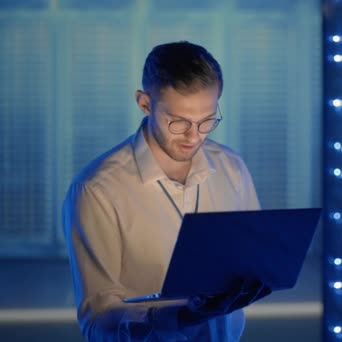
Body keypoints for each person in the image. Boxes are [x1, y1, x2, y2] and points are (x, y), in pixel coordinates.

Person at [62, 41, 270, 341]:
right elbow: (97, 320)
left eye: (207, 121)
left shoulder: (231, 167)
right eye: (178, 122)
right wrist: (179, 317)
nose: (194, 136)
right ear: (144, 103)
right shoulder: (96, 190)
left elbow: (254, 258)